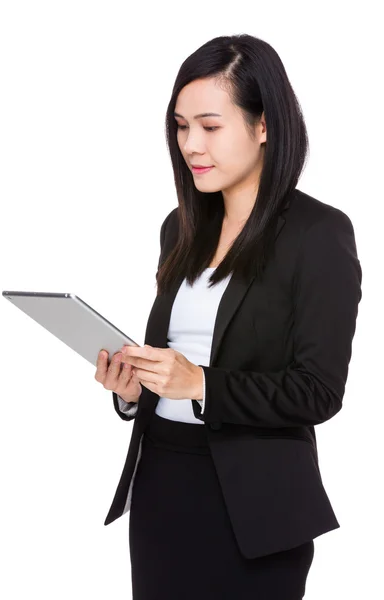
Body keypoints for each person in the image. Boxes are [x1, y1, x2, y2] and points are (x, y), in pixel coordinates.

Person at [95, 33, 362, 600]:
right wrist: (133, 390)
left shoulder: (318, 234)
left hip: (257, 508)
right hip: (162, 485)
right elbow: (170, 365)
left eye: (210, 127)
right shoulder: (179, 228)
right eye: (181, 125)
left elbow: (318, 392)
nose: (192, 144)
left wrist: (202, 385)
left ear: (263, 125)